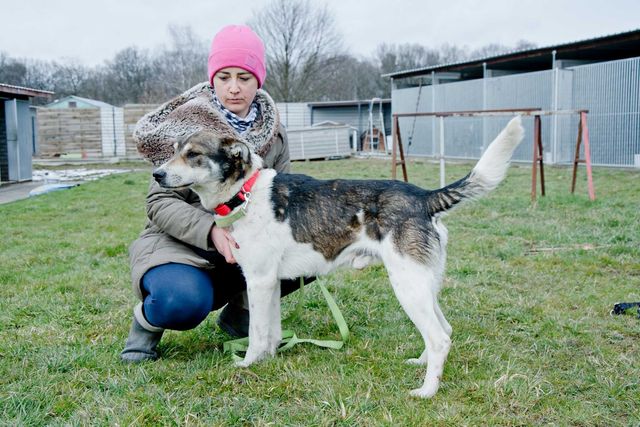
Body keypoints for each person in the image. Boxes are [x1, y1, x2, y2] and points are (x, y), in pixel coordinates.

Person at [121, 25, 311, 362]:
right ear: (213, 79)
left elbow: (282, 197)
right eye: (224, 77)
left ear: (259, 81)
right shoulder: (186, 127)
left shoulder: (274, 133)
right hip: (179, 241)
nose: (234, 88)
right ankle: (145, 328)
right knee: (182, 301)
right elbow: (159, 202)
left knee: (307, 250)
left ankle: (240, 314)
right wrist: (212, 229)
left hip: (246, 235)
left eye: (244, 77)